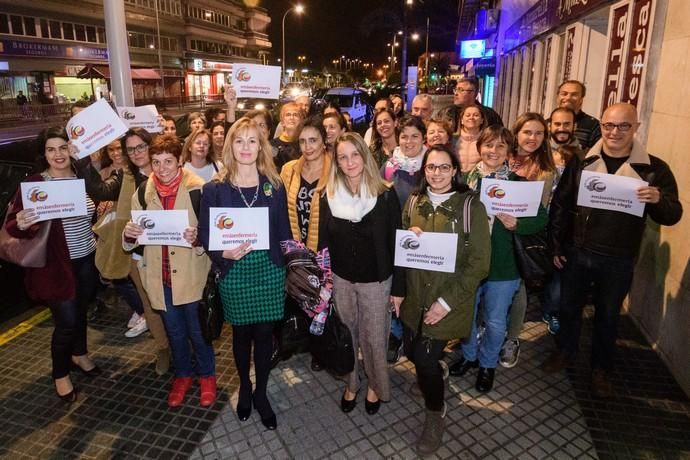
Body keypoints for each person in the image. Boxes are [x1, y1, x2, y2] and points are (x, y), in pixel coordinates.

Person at [543, 103, 682, 398]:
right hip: (579, 251)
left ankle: (601, 370)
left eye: (623, 126)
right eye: (608, 125)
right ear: (601, 125)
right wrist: (556, 245)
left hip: (618, 258)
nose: (614, 132)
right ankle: (566, 351)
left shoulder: (653, 169)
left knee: (607, 316)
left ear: (636, 127)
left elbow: (672, 214)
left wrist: (658, 199)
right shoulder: (581, 161)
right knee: (569, 309)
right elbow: (562, 205)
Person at [398, 145, 490, 455]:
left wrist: (446, 304)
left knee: (424, 359)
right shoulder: (413, 202)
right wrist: (407, 236)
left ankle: (435, 413)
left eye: (444, 167)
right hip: (415, 295)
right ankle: (435, 375)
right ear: (423, 171)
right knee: (410, 349)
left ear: (455, 171)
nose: (436, 173)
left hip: (447, 299)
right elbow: (402, 248)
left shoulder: (470, 207)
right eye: (431, 167)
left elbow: (479, 264)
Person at [199, 117, 290, 430]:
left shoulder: (274, 186)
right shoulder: (215, 189)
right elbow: (206, 233)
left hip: (269, 269)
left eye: (253, 140)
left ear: (261, 145)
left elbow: (284, 231)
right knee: (241, 335)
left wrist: (291, 265)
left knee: (265, 336)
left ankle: (261, 392)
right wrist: (221, 252)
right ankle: (245, 388)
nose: (246, 147)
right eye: (240, 140)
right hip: (234, 270)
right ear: (230, 146)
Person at [6, 126, 102, 403]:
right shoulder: (37, 184)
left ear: (71, 150)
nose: (58, 154)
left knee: (81, 311)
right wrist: (23, 223)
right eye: (51, 149)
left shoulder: (83, 177)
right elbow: (15, 224)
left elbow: (100, 202)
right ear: (44, 154)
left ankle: (80, 355)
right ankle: (60, 373)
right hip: (55, 266)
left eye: (63, 147)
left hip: (87, 257)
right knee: (66, 322)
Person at [451, 125, 547, 392]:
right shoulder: (463, 181)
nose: (493, 151)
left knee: (495, 321)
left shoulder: (518, 185)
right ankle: (469, 356)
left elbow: (541, 218)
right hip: (468, 264)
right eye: (488, 145)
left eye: (500, 146)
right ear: (480, 148)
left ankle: (487, 364)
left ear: (508, 151)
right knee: (467, 317)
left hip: (503, 267)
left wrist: (518, 225)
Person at [123, 134, 216, 408]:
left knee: (198, 332)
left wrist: (199, 238)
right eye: (156, 162)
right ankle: (183, 374)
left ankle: (207, 375)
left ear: (180, 161)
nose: (162, 168)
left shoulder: (199, 190)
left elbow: (213, 238)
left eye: (168, 161)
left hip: (192, 278)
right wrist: (129, 236)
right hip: (160, 279)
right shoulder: (142, 194)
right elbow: (134, 244)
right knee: (174, 333)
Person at [319, 132, 404, 415]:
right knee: (347, 337)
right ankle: (352, 382)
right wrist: (324, 283)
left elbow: (397, 243)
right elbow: (323, 244)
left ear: (365, 157)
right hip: (342, 280)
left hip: (377, 281)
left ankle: (375, 386)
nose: (349, 161)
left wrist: (398, 289)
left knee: (374, 338)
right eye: (342, 157)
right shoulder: (328, 195)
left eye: (355, 154)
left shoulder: (385, 194)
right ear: (337, 162)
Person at [79, 128, 171, 372]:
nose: (136, 152)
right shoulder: (125, 176)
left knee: (175, 303)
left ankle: (185, 346)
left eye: (141, 146)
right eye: (130, 149)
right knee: (149, 304)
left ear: (150, 145)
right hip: (139, 254)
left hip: (171, 251)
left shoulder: (168, 169)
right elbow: (100, 190)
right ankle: (163, 348)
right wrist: (84, 160)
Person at [499, 112, 556, 368]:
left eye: (538, 133)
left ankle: (512, 339)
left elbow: (540, 211)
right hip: (495, 233)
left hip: (522, 235)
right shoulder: (501, 157)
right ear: (516, 133)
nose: (532, 138)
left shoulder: (545, 170)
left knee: (518, 290)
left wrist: (517, 224)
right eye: (527, 132)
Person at [280, 116, 333, 371]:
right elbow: (280, 205)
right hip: (296, 248)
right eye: (302, 141)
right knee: (299, 295)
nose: (308, 146)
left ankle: (320, 350)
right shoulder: (290, 169)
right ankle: (299, 342)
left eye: (313, 140)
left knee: (322, 301)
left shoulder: (336, 168)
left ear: (324, 142)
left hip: (325, 249)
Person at [382, 115, 427, 208]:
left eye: (415, 136)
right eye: (404, 137)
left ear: (423, 139)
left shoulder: (432, 166)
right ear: (398, 139)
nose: (409, 141)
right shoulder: (389, 166)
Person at [557, 80, 601, 151]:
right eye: (564, 94)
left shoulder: (593, 126)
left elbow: (595, 155)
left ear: (581, 99)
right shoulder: (546, 124)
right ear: (558, 97)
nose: (568, 98)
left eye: (574, 95)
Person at [271, 102, 303, 171]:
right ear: (282, 121)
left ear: (301, 120)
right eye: (288, 115)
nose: (292, 118)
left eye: (295, 115)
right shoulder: (271, 145)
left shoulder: (305, 144)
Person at [455, 104, 487, 173]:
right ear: (462, 121)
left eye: (476, 115)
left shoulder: (487, 140)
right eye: (468, 115)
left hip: (478, 179)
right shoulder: (452, 139)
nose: (471, 118)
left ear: (482, 120)